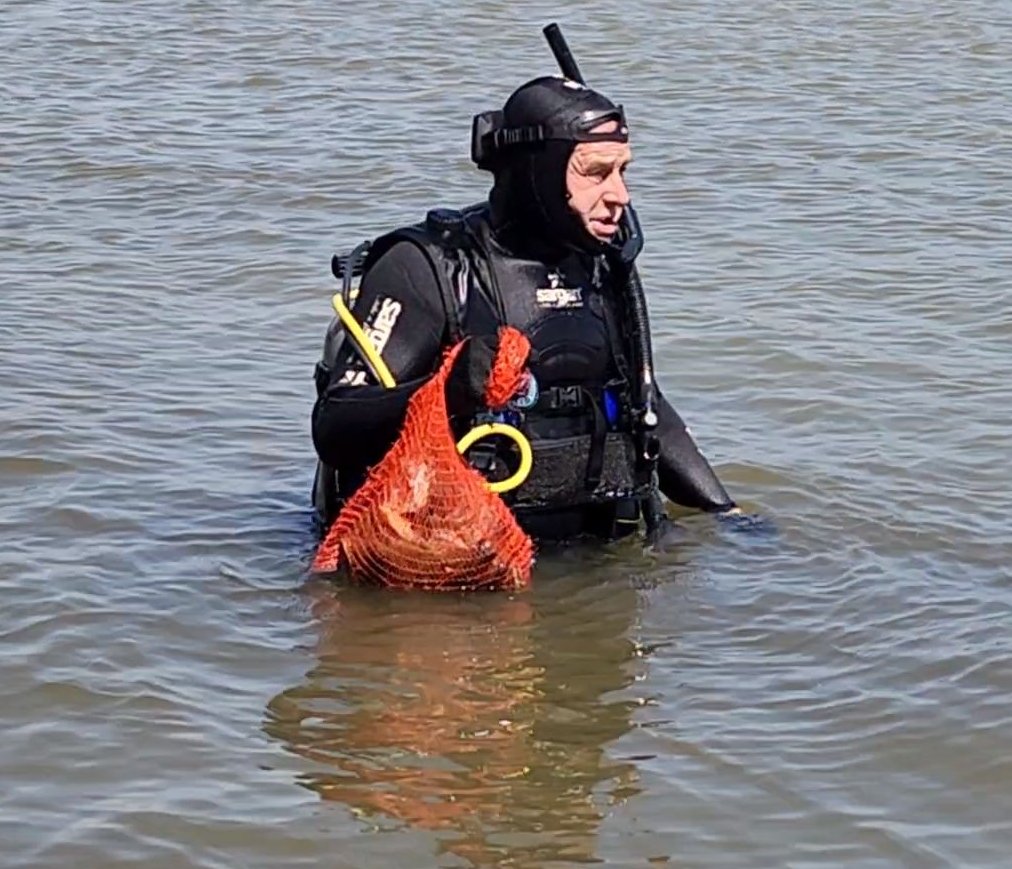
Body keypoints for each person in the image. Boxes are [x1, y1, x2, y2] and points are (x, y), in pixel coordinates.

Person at [308, 71, 737, 545]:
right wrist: (446, 391)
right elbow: (334, 426)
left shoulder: (602, 267)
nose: (620, 195)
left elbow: (645, 406)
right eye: (595, 172)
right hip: (455, 575)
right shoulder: (430, 269)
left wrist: (729, 516)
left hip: (590, 566)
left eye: (623, 171)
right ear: (539, 172)